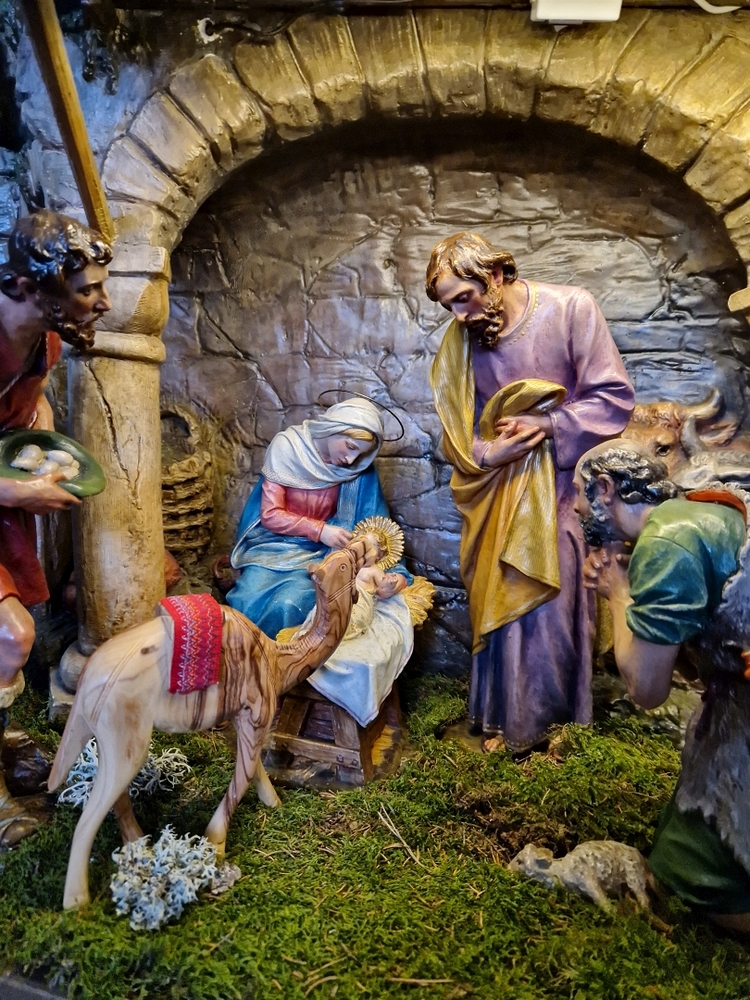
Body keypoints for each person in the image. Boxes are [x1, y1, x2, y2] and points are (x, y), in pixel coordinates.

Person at [426, 232, 634, 755]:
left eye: (464, 298)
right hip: (498, 492)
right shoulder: (464, 340)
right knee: (499, 600)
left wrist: (549, 424)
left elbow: (613, 398)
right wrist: (486, 453)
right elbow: (456, 430)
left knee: (552, 604)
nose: (459, 315)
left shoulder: (571, 309)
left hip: (562, 489)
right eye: (449, 305)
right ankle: (503, 718)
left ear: (495, 276)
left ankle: (550, 725)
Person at [576, 442, 750, 932]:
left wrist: (618, 594)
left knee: (696, 874)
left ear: (605, 490)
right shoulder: (689, 511)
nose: (575, 509)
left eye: (577, 494)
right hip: (732, 693)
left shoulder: (668, 542)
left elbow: (646, 688)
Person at [0, 209, 112, 845]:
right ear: (28, 287)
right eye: (87, 289)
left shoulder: (42, 341)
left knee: (7, 640)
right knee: (12, 636)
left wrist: (38, 429)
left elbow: (29, 401)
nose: (104, 302)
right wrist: (18, 489)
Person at [228, 398, 413, 725]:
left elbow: (374, 527)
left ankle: (287, 691)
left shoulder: (358, 471)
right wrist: (320, 530)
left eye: (361, 453)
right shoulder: (288, 448)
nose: (351, 459)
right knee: (252, 600)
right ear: (332, 429)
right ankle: (247, 685)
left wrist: (388, 569)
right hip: (275, 547)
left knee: (297, 602)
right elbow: (270, 515)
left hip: (324, 556)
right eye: (350, 446)